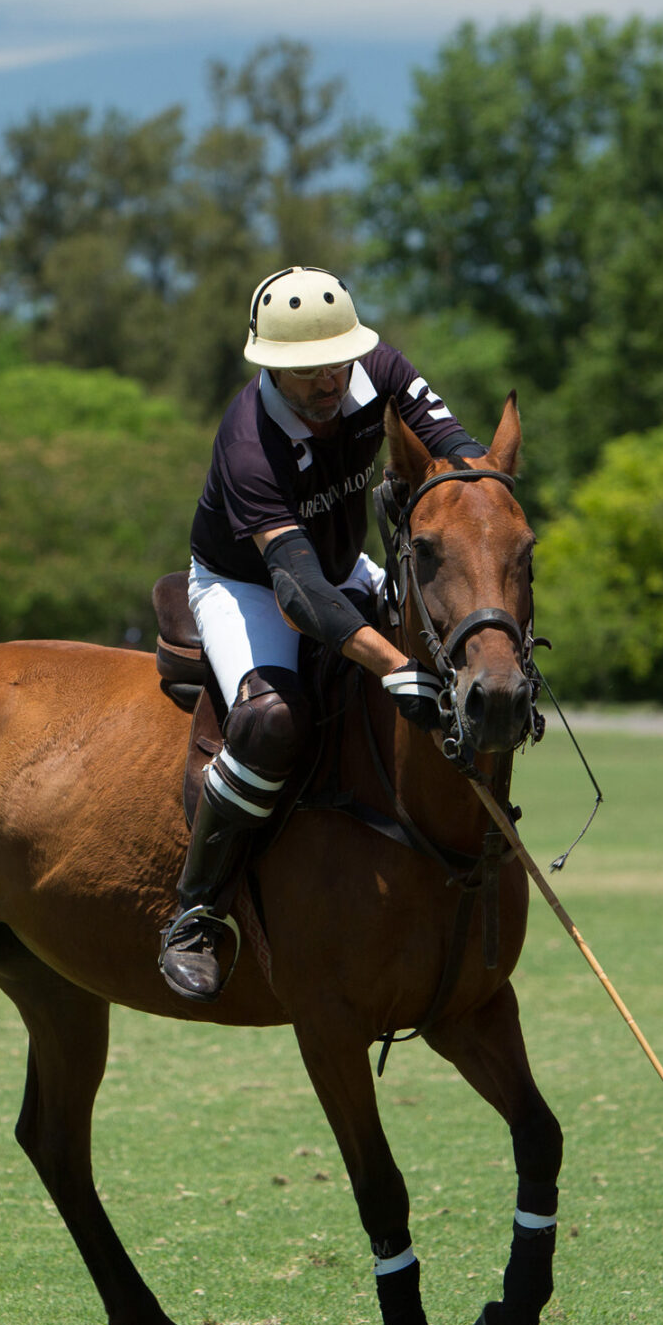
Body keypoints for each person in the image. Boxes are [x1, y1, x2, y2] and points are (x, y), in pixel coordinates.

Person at [161, 266, 487, 1002]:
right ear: (272, 366)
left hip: (340, 565)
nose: (328, 380)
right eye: (308, 371)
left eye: (337, 360)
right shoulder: (250, 443)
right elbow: (300, 591)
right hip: (247, 584)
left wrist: (484, 509)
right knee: (274, 720)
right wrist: (392, 663)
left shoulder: (380, 370)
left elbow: (458, 450)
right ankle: (195, 911)